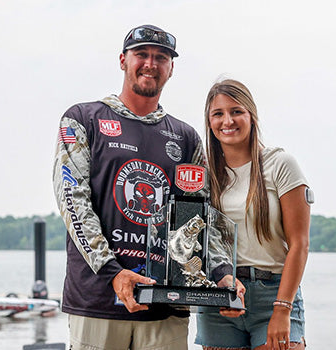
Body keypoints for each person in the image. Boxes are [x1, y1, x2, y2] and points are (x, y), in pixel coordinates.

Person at [52, 24, 241, 350]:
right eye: (142, 54)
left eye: (161, 57)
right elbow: (73, 201)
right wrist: (114, 273)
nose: (151, 64)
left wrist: (222, 273)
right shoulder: (83, 119)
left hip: (166, 306)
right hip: (99, 299)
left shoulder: (186, 138)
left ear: (171, 68)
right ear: (123, 60)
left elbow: (199, 218)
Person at [195, 79, 313, 350]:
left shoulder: (280, 164)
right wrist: (221, 287)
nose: (228, 120)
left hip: (274, 293)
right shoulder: (204, 175)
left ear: (251, 115)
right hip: (220, 296)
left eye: (236, 111)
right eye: (218, 113)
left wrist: (282, 309)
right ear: (209, 122)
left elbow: (300, 244)